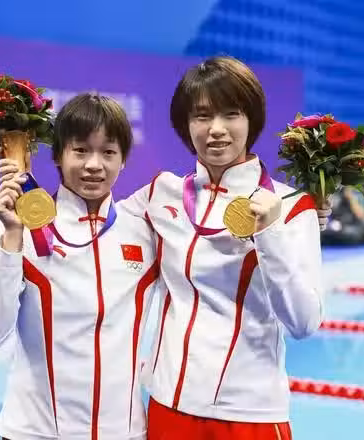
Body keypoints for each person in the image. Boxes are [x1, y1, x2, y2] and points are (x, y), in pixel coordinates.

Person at [119, 56, 327, 440]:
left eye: (231, 114)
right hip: (168, 406)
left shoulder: (292, 207)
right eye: (202, 116)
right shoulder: (160, 194)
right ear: (185, 124)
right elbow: (93, 227)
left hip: (248, 414)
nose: (216, 129)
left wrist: (270, 235)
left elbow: (303, 323)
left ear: (251, 120)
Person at [0, 93, 163, 440]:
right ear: (58, 155)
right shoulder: (21, 225)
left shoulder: (144, 231)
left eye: (108, 152)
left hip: (123, 432)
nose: (94, 165)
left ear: (123, 160)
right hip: (36, 432)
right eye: (80, 150)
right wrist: (12, 234)